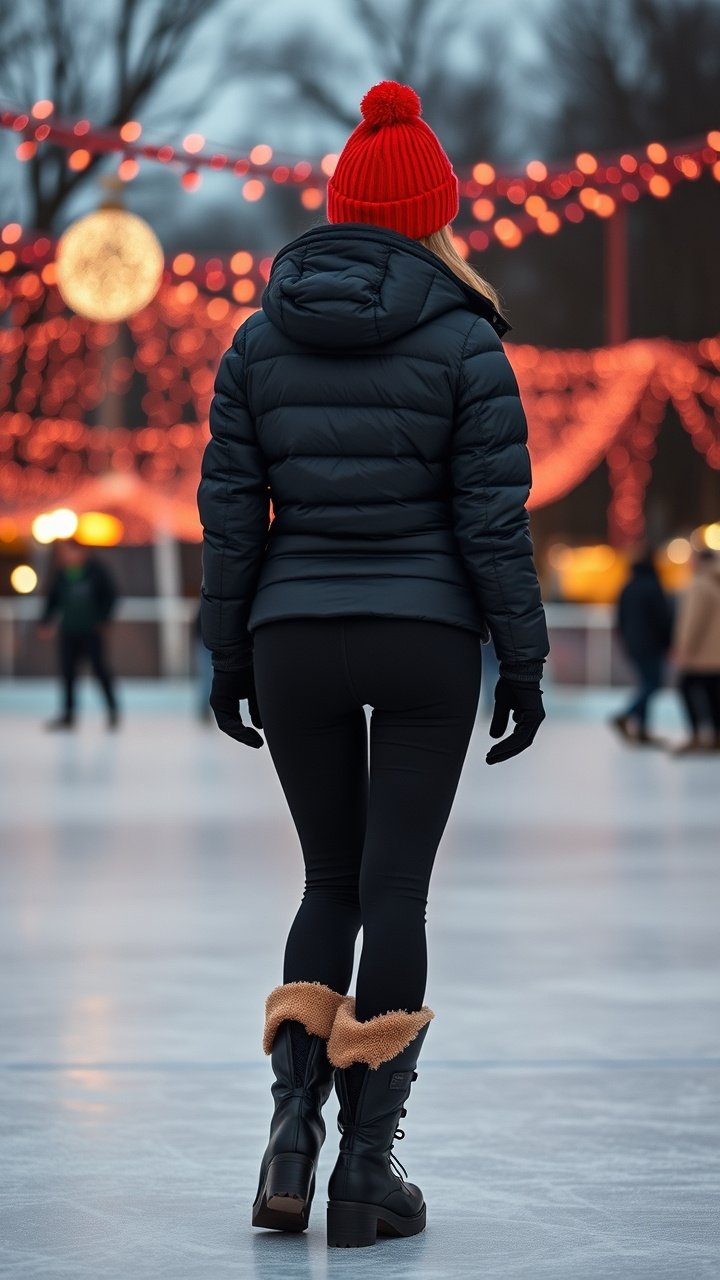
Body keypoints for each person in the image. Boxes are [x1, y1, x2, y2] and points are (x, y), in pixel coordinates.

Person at [197, 80, 549, 1249]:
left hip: (294, 632)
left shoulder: (257, 336)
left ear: (341, 207)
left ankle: (288, 1143)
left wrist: (227, 645)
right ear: (438, 213)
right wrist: (526, 658)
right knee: (395, 892)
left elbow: (234, 513)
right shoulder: (466, 339)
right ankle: (366, 1171)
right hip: (425, 639)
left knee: (325, 886)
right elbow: (493, 521)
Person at [37, 537, 119, 730]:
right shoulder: (62, 574)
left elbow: (111, 596)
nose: (65, 555)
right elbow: (52, 599)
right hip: (69, 631)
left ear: (80, 551)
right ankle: (68, 715)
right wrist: (45, 621)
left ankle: (112, 711)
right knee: (68, 673)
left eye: (68, 551)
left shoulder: (96, 571)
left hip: (91, 632)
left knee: (100, 670)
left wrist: (103, 619)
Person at [611, 546, 673, 745]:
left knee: (646, 683)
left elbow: (619, 617)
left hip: (633, 643)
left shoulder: (628, 586)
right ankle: (626, 715)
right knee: (652, 684)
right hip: (651, 645)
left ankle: (642, 729)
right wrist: (668, 642)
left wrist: (625, 639)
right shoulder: (653, 586)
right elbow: (662, 618)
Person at [672, 548, 720, 752]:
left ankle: (696, 735)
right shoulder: (715, 582)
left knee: (685, 688)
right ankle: (715, 735)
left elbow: (693, 621)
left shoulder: (699, 584)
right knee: (713, 694)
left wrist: (684, 648)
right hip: (715, 654)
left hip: (700, 655)